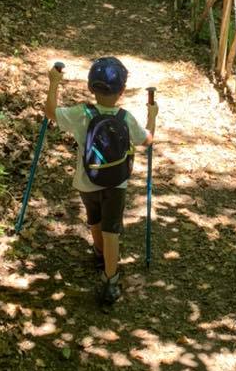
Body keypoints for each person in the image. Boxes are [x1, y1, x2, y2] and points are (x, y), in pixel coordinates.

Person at [45, 56, 158, 307]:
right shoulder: (126, 118)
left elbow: (50, 112)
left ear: (90, 88)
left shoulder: (81, 114)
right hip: (116, 184)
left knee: (94, 218)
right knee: (112, 230)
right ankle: (110, 278)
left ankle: (98, 253)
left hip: (86, 182)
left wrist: (54, 83)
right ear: (122, 91)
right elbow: (147, 139)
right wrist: (152, 116)